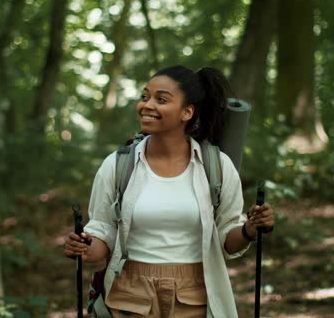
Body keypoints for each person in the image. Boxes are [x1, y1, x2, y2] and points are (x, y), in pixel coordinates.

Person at [64, 65, 275, 317]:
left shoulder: (216, 166)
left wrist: (250, 229)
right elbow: (104, 231)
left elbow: (227, 241)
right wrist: (85, 247)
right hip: (128, 295)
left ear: (187, 112)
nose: (147, 105)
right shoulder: (119, 164)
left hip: (195, 295)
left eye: (161, 99)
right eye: (145, 97)